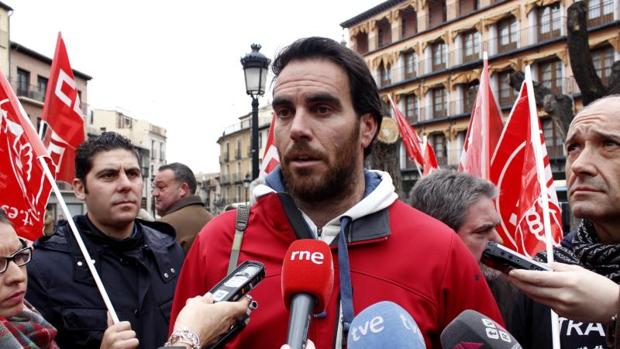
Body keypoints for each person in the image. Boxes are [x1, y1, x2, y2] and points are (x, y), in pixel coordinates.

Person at [170, 36, 503, 348]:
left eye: (321, 109)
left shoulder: (440, 251)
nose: (297, 128)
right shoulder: (218, 242)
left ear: (367, 127)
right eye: (285, 112)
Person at [25, 132, 185, 349]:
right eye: (109, 175)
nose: (125, 184)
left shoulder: (169, 251)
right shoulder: (43, 268)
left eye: (132, 173)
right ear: (80, 189)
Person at [508, 95, 620, 349]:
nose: (580, 165)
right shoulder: (546, 270)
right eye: (574, 148)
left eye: (609, 144)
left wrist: (615, 307)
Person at [410, 169, 517, 323]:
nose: (499, 240)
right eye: (482, 231)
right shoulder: (409, 302)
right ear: (440, 235)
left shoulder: (512, 295)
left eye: (496, 228)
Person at [153, 162, 213, 254]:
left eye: (161, 187)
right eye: (154, 188)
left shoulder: (163, 226)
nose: (155, 193)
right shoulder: (212, 220)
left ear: (183, 189)